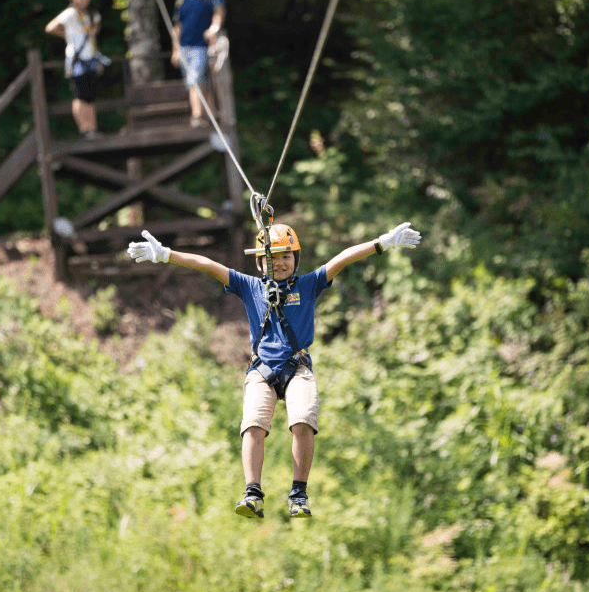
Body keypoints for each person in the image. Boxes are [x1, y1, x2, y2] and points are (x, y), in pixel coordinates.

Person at [127, 221, 422, 519]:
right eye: (273, 257)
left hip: (297, 366)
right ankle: (252, 492)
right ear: (260, 261)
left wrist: (381, 243)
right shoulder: (250, 286)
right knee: (253, 424)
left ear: (295, 259)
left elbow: (341, 259)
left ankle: (299, 494)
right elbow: (209, 265)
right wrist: (166, 254)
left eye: (286, 256)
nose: (280, 263)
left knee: (303, 420)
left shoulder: (308, 284)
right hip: (262, 369)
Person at [45, 0, 107, 139]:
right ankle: (84, 130)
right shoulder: (70, 13)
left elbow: (94, 35)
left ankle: (92, 129)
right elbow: (50, 27)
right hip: (77, 59)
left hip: (91, 58)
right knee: (79, 95)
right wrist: (67, 35)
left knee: (90, 95)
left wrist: (98, 57)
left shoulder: (92, 14)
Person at [171, 0, 226, 127]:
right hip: (185, 47)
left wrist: (214, 29)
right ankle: (209, 115)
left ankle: (197, 117)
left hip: (202, 46)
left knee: (195, 79)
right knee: (196, 82)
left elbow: (219, 11)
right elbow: (177, 26)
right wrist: (175, 49)